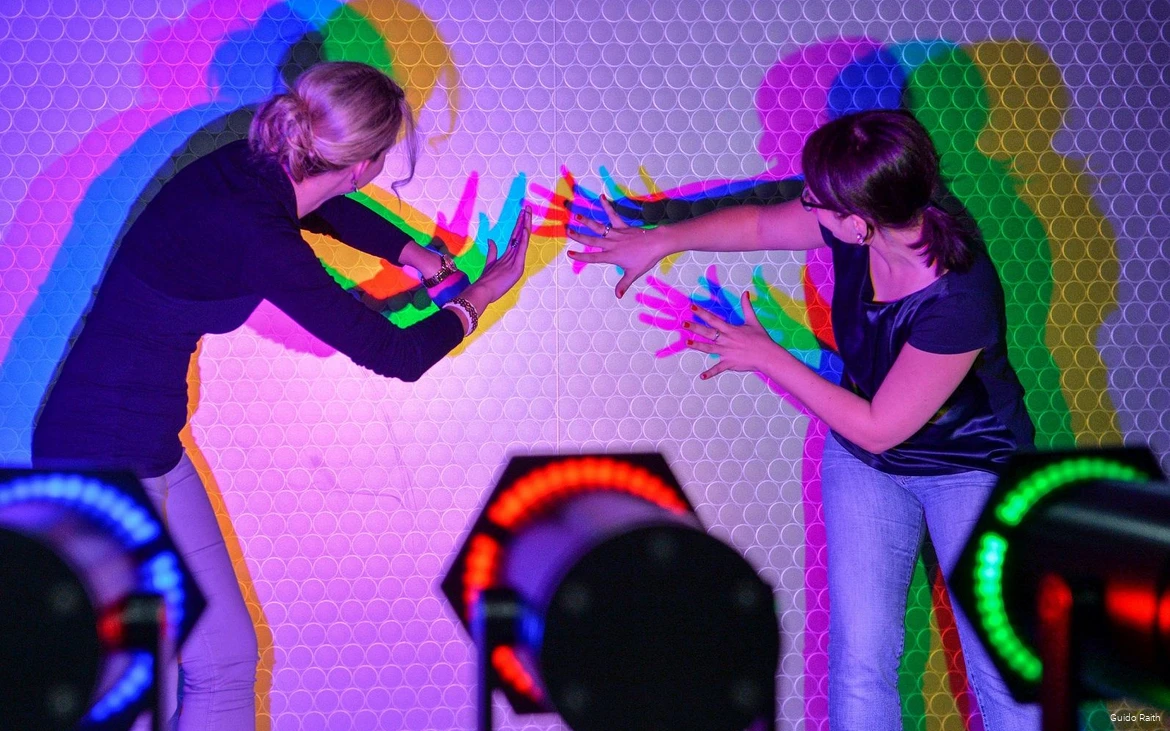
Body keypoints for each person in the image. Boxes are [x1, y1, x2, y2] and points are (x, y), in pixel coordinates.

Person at [32, 60, 530, 729]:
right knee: (126, 685)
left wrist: (413, 253)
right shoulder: (258, 234)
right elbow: (396, 356)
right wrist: (480, 296)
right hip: (103, 459)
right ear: (364, 165)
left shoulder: (254, 165)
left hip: (140, 444)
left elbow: (325, 207)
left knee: (226, 658)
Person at [567, 108, 1038, 730]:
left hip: (970, 467)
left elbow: (880, 424)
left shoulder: (960, 296)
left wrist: (765, 356)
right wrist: (662, 239)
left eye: (818, 201)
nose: (806, 205)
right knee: (860, 662)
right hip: (866, 462)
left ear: (859, 222)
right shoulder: (867, 221)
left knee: (998, 668)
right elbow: (761, 222)